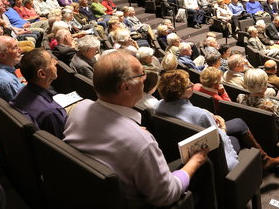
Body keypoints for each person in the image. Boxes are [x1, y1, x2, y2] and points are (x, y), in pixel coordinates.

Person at [63, 51, 211, 209]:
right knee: (204, 164)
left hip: (90, 196)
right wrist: (195, 162)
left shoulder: (78, 109)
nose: (145, 78)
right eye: (142, 74)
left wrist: (131, 132)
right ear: (126, 87)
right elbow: (166, 196)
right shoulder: (141, 142)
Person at [156, 69, 279, 171]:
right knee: (236, 138)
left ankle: (264, 158)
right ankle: (262, 161)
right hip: (212, 154)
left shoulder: (158, 105)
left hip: (185, 145)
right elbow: (219, 141)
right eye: (189, 84)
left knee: (239, 122)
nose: (193, 85)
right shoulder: (201, 116)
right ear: (180, 92)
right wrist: (222, 127)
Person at [10, 48, 67, 138]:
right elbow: (62, 142)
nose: (55, 62)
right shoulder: (51, 112)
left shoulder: (22, 91)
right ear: (42, 74)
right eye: (51, 62)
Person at [238, 69, 279, 139]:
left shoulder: (240, 98)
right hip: (273, 139)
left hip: (252, 134)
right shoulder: (274, 105)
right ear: (264, 86)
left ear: (246, 84)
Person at [0, 36, 24, 101]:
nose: (21, 50)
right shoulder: (8, 81)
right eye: (15, 48)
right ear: (2, 55)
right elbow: (23, 105)